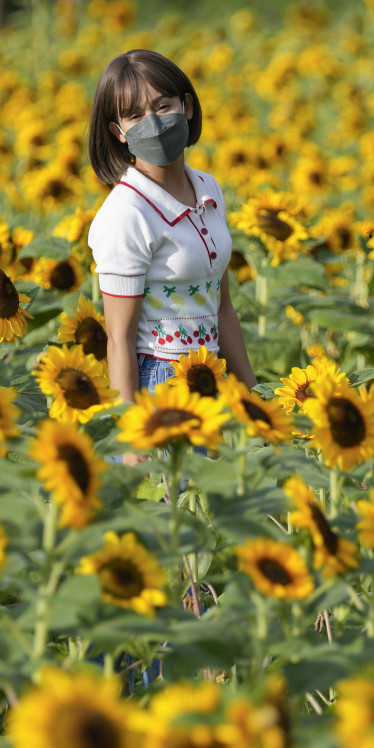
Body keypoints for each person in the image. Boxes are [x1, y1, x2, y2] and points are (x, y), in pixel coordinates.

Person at [86, 49, 258, 466]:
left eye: (163, 105)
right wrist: (132, 437)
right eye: (135, 116)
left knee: (209, 517)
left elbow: (223, 311)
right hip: (158, 384)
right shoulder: (126, 214)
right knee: (174, 516)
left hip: (208, 377)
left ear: (187, 106)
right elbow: (119, 338)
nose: (154, 122)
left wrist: (255, 401)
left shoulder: (208, 188)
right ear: (119, 131)